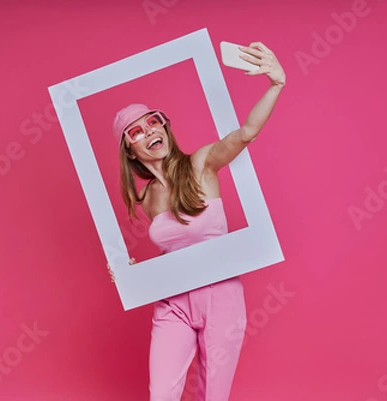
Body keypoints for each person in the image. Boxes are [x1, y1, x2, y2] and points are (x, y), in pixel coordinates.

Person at [108, 42, 285, 401]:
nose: (148, 132)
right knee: (162, 394)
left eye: (152, 123)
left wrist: (276, 84)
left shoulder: (201, 164)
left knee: (212, 395)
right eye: (136, 132)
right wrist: (129, 271)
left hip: (221, 298)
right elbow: (172, 249)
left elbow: (246, 133)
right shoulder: (144, 198)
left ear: (164, 127)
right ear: (130, 149)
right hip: (173, 301)